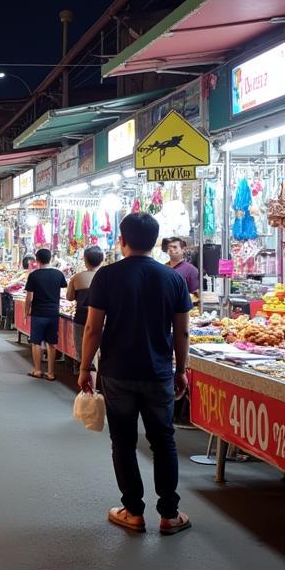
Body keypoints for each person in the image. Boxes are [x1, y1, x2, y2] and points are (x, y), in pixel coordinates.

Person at [78, 211, 192, 536]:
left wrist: (86, 367)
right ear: (156, 242)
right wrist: (181, 370)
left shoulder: (107, 276)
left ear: (122, 240)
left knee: (124, 442)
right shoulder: (173, 279)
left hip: (117, 372)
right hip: (158, 373)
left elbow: (92, 328)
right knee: (164, 441)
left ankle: (133, 511)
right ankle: (170, 514)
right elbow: (182, 333)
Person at [23, 248, 66, 381]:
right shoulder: (58, 274)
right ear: (50, 258)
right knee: (51, 343)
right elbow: (64, 291)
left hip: (38, 313)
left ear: (37, 260)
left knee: (36, 342)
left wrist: (26, 313)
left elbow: (29, 297)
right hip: (53, 313)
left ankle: (37, 370)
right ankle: (51, 373)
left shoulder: (34, 275)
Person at [67, 245, 104, 365]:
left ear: (85, 259)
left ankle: (84, 376)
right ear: (102, 260)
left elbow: (70, 297)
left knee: (82, 349)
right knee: (99, 350)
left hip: (81, 318)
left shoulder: (77, 277)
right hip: (102, 319)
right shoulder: (106, 277)